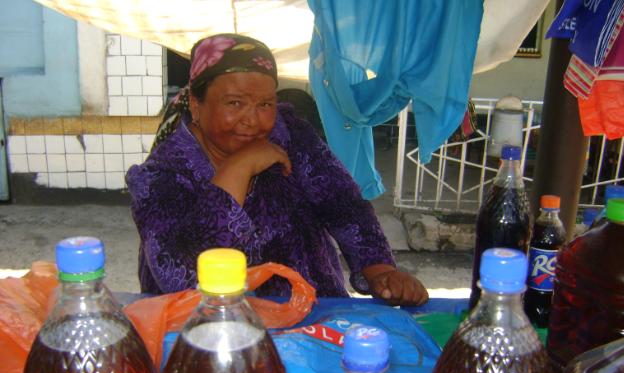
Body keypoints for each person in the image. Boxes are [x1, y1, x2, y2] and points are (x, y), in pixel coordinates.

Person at [126, 33, 428, 306]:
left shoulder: (290, 134)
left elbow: (343, 204)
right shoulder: (160, 176)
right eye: (235, 103)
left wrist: (380, 271)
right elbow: (181, 276)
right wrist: (239, 167)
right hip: (215, 329)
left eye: (265, 104)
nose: (252, 120)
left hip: (312, 316)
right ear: (196, 103)